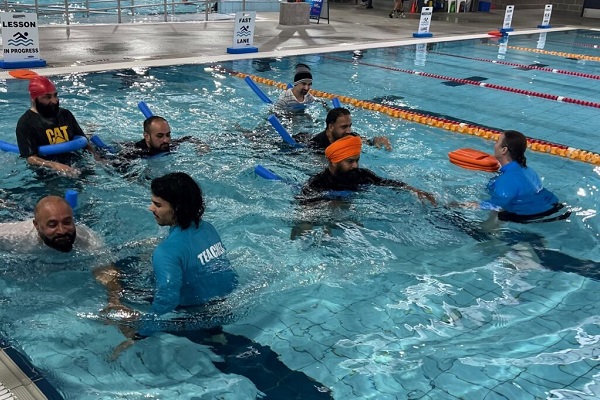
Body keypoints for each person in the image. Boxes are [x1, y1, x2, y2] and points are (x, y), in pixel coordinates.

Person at [301, 135, 436, 204]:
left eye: (357, 160)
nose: (355, 165)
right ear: (334, 161)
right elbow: (304, 209)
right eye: (350, 161)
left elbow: (385, 183)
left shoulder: (361, 175)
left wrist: (413, 189)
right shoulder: (316, 184)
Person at [470, 130, 567, 223]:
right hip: (554, 207)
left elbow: (498, 204)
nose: (494, 145)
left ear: (504, 150)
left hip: (532, 215)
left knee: (486, 225)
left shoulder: (506, 179)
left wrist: (462, 205)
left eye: (497, 142)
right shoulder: (528, 170)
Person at [16, 76, 96, 176]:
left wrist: (97, 157)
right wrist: (55, 166)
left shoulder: (65, 114)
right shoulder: (26, 123)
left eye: (55, 95)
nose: (54, 101)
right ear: (34, 99)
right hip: (48, 170)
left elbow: (84, 141)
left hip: (75, 159)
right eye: (47, 97)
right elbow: (31, 158)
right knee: (54, 190)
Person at [0, 195, 101, 254]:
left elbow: (106, 272)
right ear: (36, 225)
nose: (62, 231)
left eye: (67, 222)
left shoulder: (88, 239)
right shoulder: (14, 235)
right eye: (52, 225)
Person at [294, 107, 392, 151]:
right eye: (344, 127)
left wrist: (378, 140)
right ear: (331, 127)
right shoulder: (317, 145)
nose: (349, 130)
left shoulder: (349, 134)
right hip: (301, 140)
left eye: (350, 125)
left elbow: (367, 141)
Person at [120, 115, 209, 159]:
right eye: (160, 136)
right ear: (147, 136)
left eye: (168, 134)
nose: (166, 140)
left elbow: (188, 138)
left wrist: (201, 145)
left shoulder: (168, 144)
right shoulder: (136, 152)